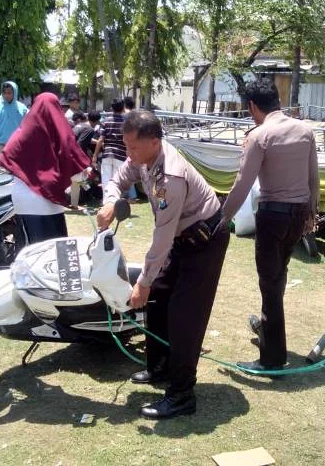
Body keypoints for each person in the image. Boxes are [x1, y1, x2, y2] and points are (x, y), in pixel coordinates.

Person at [96, 110, 229, 419]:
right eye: (126, 146)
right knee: (158, 301)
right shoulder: (142, 158)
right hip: (181, 238)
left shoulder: (170, 176)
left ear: (154, 142)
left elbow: (163, 237)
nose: (128, 154)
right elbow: (118, 179)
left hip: (203, 241)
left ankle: (182, 395)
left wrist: (142, 282)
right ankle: (160, 368)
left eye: (133, 148)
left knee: (185, 316)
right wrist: (111, 202)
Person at [220, 81, 319, 373]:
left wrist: (222, 218)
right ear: (278, 100)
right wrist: (311, 213)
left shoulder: (259, 135)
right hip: (298, 214)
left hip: (273, 215)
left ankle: (272, 358)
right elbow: (314, 176)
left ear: (252, 106)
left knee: (270, 286)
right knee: (278, 276)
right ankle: (267, 329)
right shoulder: (305, 130)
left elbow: (242, 183)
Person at [0, 93, 90, 243]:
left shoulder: (22, 131)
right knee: (53, 256)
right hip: (46, 200)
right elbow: (74, 162)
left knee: (27, 252)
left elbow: (7, 155)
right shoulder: (60, 131)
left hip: (20, 198)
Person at [0, 81, 28, 175]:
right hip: (0, 145)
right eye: (4, 92)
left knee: (17, 172)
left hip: (16, 146)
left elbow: (28, 126)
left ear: (14, 93)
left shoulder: (22, 108)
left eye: (9, 93)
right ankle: (4, 190)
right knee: (2, 171)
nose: (6, 95)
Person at [92, 98, 127, 201]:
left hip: (107, 154)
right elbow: (127, 140)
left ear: (111, 108)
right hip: (120, 155)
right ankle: (114, 204)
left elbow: (100, 140)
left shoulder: (105, 121)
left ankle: (105, 203)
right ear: (123, 108)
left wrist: (94, 156)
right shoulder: (126, 122)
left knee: (106, 181)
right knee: (117, 182)